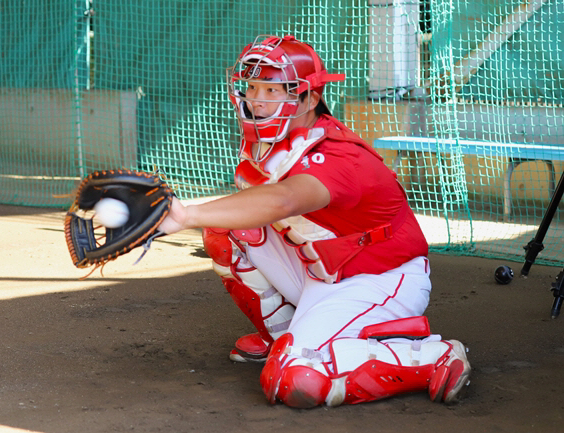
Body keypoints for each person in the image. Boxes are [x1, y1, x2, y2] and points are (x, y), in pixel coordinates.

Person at [159, 35, 471, 408]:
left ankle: (431, 357)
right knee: (227, 230)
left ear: (308, 98)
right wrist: (180, 213)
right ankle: (288, 338)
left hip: (378, 278)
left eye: (273, 90)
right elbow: (254, 207)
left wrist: (185, 215)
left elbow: (285, 199)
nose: (257, 100)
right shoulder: (272, 140)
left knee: (296, 382)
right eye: (253, 86)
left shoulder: (336, 155)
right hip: (322, 267)